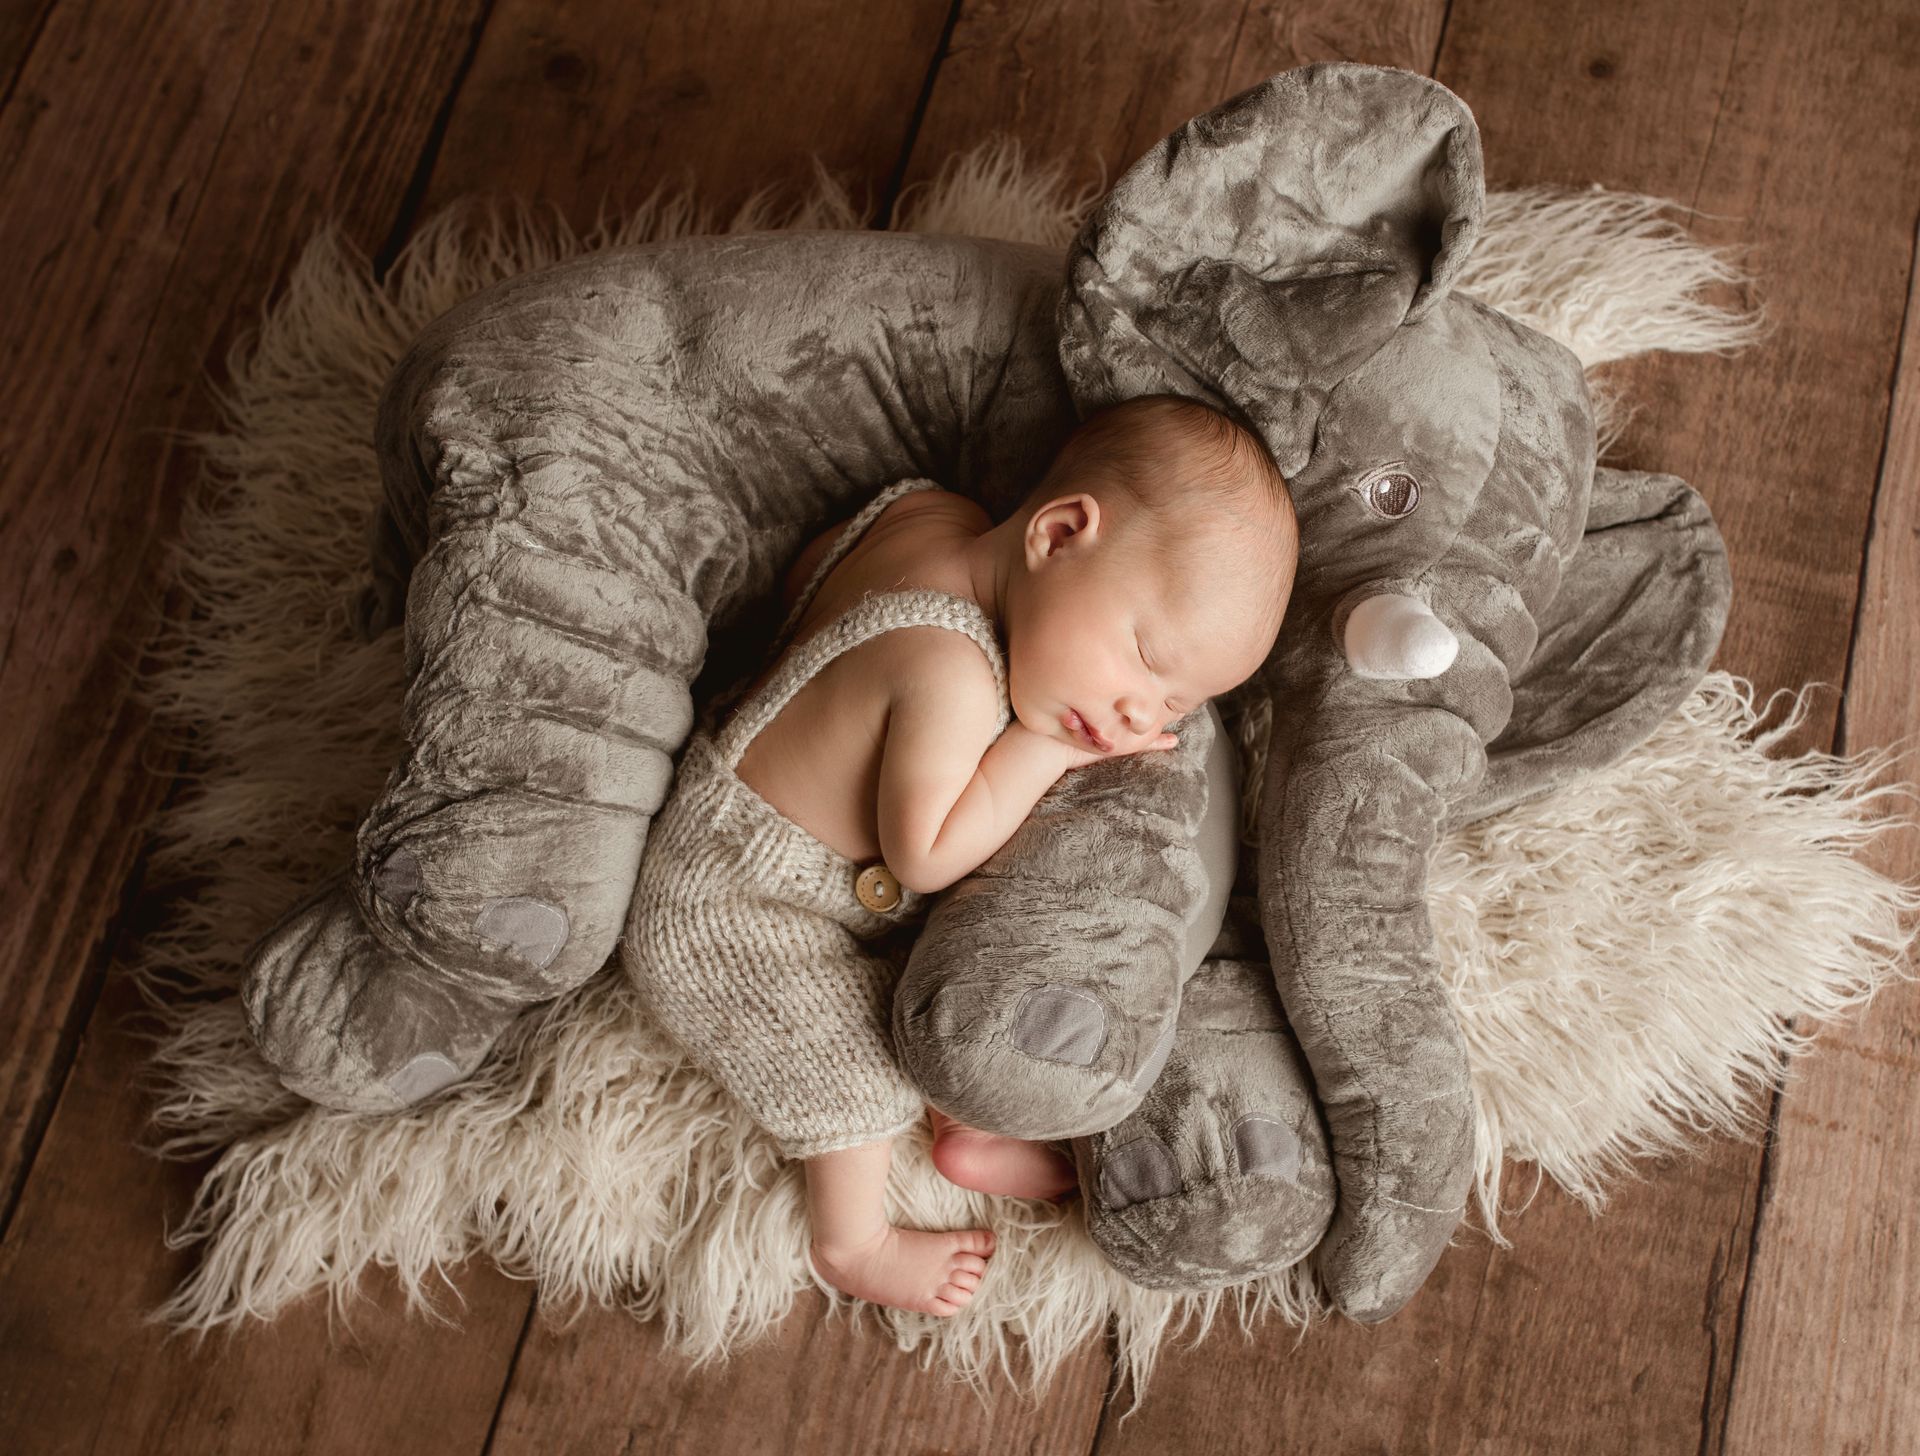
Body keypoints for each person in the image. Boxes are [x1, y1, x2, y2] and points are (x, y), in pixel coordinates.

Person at [623, 393, 1298, 1316]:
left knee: (943, 975)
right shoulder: (947, 669)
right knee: (848, 1059)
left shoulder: (927, 515)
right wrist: (1046, 748)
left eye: (1174, 707)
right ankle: (853, 1242)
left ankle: (967, 1122)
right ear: (1060, 533)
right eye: (1144, 658)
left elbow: (812, 572)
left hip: (770, 841)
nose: (1144, 717)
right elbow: (929, 854)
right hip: (735, 911)